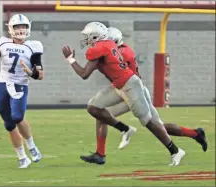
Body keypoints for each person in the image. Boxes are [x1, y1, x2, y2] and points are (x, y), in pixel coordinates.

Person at [62, 22, 185, 166]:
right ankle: (125, 130)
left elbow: (84, 74)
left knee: (148, 122)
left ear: (96, 36)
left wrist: (70, 59)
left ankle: (175, 151)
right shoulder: (107, 44)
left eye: (88, 36)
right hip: (119, 85)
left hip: (130, 85)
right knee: (93, 107)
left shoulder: (99, 48)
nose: (86, 39)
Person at [92, 27, 208, 161]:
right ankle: (195, 133)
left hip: (134, 93)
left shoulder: (123, 52)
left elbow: (104, 61)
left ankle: (192, 136)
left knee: (156, 126)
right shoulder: (117, 49)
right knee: (101, 115)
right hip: (124, 91)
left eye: (105, 42)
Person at [0, 14, 43, 168]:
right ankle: (22, 157)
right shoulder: (3, 43)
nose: (21, 30)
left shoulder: (34, 46)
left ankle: (32, 147)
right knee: (8, 124)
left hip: (20, 85)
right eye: (18, 27)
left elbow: (40, 75)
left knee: (18, 116)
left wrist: (30, 72)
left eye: (24, 26)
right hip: (3, 85)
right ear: (11, 29)